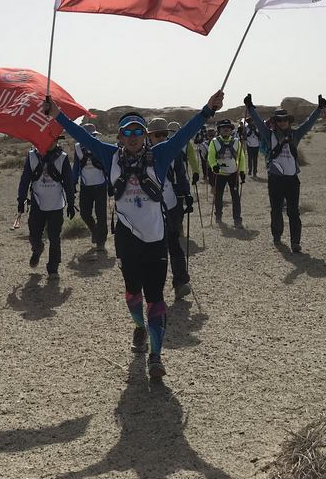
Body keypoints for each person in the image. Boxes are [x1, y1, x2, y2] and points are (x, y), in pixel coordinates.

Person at [44, 90, 224, 380]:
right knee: (132, 295)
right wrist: (57, 115)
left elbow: (185, 134)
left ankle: (156, 357)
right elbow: (81, 135)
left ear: (145, 135)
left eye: (138, 131)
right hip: (127, 238)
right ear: (120, 135)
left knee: (155, 298)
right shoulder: (109, 156)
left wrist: (207, 110)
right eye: (127, 131)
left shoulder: (161, 154)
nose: (133, 136)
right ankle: (139, 327)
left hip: (155, 238)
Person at [245, 94, 326, 254]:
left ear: (289, 122)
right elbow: (259, 123)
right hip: (275, 179)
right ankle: (277, 236)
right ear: (275, 122)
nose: (282, 123)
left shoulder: (295, 135)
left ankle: (295, 242)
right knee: (276, 210)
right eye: (279, 120)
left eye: (285, 120)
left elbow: (308, 123)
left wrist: (319, 109)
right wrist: (250, 107)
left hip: (292, 180)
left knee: (293, 212)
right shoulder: (269, 135)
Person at [17, 137, 76, 280]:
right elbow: (25, 179)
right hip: (37, 203)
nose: (50, 142)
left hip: (56, 204)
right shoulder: (32, 156)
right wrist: (21, 199)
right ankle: (37, 249)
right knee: (34, 234)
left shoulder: (62, 158)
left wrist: (71, 202)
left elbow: (68, 182)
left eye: (53, 140)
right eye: (47, 139)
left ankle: (53, 268)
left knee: (54, 237)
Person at [154, 120, 194, 299]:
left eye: (165, 134)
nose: (162, 138)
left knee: (174, 245)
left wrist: (187, 194)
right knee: (156, 251)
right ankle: (155, 290)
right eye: (158, 135)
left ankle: (180, 282)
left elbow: (181, 175)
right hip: (150, 211)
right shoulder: (143, 155)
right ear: (149, 137)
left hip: (171, 205)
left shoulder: (174, 152)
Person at [73, 123, 109, 258]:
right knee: (84, 213)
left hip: (101, 185)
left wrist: (111, 182)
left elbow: (107, 165)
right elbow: (76, 166)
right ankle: (95, 231)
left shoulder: (100, 146)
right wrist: (73, 182)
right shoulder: (77, 148)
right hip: (85, 186)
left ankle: (101, 242)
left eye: (92, 136)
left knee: (101, 215)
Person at [207, 119, 246, 227]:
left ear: (231, 129)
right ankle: (218, 216)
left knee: (236, 198)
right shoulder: (214, 142)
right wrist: (214, 165)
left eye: (228, 127)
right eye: (223, 127)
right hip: (220, 174)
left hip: (233, 174)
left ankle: (237, 220)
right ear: (219, 129)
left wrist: (242, 171)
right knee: (218, 197)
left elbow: (241, 157)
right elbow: (211, 156)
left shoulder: (236, 141)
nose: (226, 129)